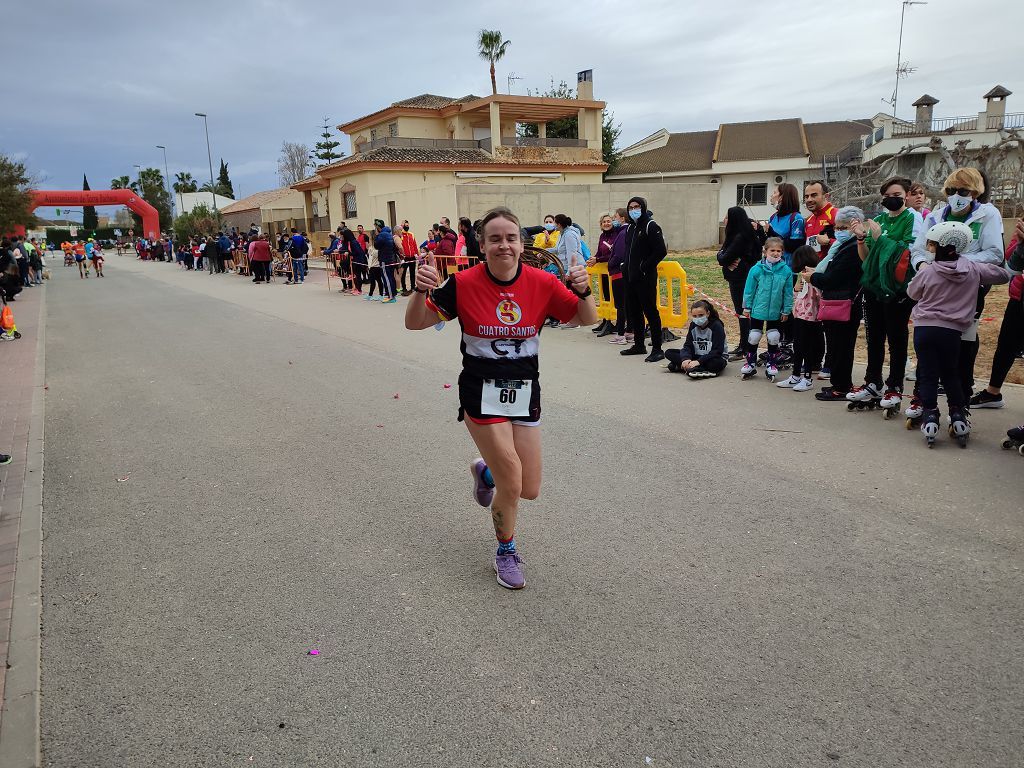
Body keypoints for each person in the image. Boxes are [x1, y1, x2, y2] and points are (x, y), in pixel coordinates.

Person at [404, 206, 597, 590]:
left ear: (521, 244)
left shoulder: (542, 283)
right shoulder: (462, 283)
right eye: (494, 238)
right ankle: (505, 551)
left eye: (510, 238)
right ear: (482, 245)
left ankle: (485, 471)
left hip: (525, 391)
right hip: (480, 391)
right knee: (512, 482)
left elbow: (586, 318)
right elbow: (415, 322)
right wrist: (420, 289)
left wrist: (585, 289)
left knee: (529, 488)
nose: (503, 245)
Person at [906, 221, 1008, 446]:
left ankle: (930, 414)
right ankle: (958, 414)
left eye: (931, 245)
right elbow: (1002, 275)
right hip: (952, 331)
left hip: (924, 329)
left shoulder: (928, 271)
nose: (929, 249)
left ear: (939, 246)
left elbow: (912, 293)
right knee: (951, 373)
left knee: (929, 375)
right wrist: (976, 269)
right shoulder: (972, 268)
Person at [910, 167, 1004, 409]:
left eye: (963, 190)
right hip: (935, 285)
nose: (956, 195)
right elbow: (919, 250)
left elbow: (995, 253)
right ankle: (923, 398)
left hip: (969, 288)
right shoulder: (935, 217)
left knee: (963, 346)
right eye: (951, 190)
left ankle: (960, 401)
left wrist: (960, 263)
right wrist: (923, 266)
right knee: (928, 344)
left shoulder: (988, 214)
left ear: (975, 192)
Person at [847, 176, 923, 411]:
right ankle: (873, 381)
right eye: (887, 196)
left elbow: (908, 252)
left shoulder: (913, 217)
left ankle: (895, 385)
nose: (892, 200)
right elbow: (868, 257)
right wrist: (861, 239)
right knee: (874, 337)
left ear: (907, 196)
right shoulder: (878, 219)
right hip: (874, 286)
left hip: (898, 287)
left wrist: (881, 238)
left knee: (896, 337)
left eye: (897, 196)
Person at [805, 206, 866, 401]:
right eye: (837, 226)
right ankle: (839, 383)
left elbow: (833, 278)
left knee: (842, 347)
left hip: (843, 303)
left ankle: (841, 386)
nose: (838, 230)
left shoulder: (852, 249)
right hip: (836, 301)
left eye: (843, 227)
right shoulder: (839, 247)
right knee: (837, 345)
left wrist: (813, 278)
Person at [970, 222, 1024, 409]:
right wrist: (1021, 244)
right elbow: (1011, 263)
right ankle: (993, 393)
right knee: (1006, 344)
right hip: (1019, 296)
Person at [620, 196, 668, 362]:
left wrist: (643, 267)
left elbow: (661, 251)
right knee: (634, 312)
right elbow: (628, 251)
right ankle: (639, 344)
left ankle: (657, 348)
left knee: (650, 312)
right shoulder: (630, 228)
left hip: (645, 278)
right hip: (630, 277)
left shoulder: (651, 225)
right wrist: (624, 267)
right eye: (631, 207)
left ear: (643, 207)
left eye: (637, 206)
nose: (634, 210)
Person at [740, 237, 793, 380]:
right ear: (765, 251)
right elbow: (749, 289)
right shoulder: (756, 269)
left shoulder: (786, 271)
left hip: (776, 311)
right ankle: (750, 363)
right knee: (754, 336)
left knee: (774, 337)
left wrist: (786, 310)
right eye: (772, 250)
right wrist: (747, 307)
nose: (776, 253)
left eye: (779, 251)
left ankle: (772, 363)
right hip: (758, 309)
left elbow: (788, 292)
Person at [776, 245, 822, 392]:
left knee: (808, 348)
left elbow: (818, 296)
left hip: (811, 318)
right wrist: (797, 285)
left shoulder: (815, 275)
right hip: (799, 316)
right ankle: (795, 375)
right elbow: (797, 296)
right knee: (798, 346)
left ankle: (807, 378)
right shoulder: (801, 275)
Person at [717, 206, 761, 360]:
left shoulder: (739, 237)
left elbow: (722, 258)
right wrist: (723, 257)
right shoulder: (744, 234)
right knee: (743, 312)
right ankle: (745, 345)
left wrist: (723, 257)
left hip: (740, 279)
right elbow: (723, 256)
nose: (725, 220)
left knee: (743, 313)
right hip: (741, 278)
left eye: (727, 217)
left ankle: (745, 347)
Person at [665, 300, 728, 378]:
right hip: (697, 355)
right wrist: (686, 358)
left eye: (701, 315)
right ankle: (693, 367)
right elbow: (688, 345)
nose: (698, 318)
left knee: (715, 364)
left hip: (713, 357)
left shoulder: (717, 326)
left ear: (708, 313)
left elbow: (717, 351)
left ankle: (688, 367)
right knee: (669, 352)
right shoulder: (693, 325)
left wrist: (699, 361)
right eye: (694, 316)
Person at [589, 213, 618, 337]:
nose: (606, 223)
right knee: (605, 296)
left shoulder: (616, 235)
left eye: (608, 221)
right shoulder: (602, 236)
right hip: (603, 272)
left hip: (613, 270)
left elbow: (613, 254)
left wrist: (598, 260)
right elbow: (600, 252)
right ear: (601, 225)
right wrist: (593, 258)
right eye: (604, 222)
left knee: (614, 297)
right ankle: (606, 321)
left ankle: (616, 322)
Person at [767, 183, 806, 267]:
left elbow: (795, 246)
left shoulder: (796, 218)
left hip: (789, 269)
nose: (771, 196)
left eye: (774, 193)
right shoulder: (773, 217)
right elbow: (768, 243)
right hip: (772, 268)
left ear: (782, 197)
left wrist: (771, 232)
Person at [802, 180, 836, 257]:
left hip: (831, 267)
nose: (809, 200)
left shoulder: (837, 215)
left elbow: (849, 244)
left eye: (814, 195)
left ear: (826, 196)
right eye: (806, 196)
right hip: (811, 267)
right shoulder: (808, 219)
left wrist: (829, 241)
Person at [373, 220, 398, 303]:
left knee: (386, 278)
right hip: (391, 259)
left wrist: (376, 236)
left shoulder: (381, 235)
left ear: (378, 227)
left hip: (384, 259)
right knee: (391, 276)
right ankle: (392, 293)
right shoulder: (389, 234)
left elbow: (376, 245)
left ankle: (391, 297)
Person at [398, 221, 418, 295]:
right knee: (403, 273)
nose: (407, 226)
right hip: (405, 258)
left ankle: (413, 287)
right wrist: (401, 256)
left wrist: (416, 254)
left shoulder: (411, 234)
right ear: (402, 226)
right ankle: (404, 288)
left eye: (407, 225)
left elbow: (414, 245)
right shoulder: (400, 235)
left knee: (412, 273)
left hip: (412, 257)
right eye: (405, 225)